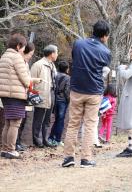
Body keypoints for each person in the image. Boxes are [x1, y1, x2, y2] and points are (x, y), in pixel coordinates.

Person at [62, 20, 111, 168]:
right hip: (94, 91)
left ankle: (68, 158)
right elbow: (104, 69)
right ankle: (86, 159)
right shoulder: (106, 52)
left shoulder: (78, 44)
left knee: (72, 124)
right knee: (90, 125)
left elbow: (75, 60)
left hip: (76, 89)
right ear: (105, 36)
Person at [0, 34, 40, 159]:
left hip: (5, 94)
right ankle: (11, 149)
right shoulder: (16, 57)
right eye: (23, 47)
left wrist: (31, 79)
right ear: (18, 46)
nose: (24, 50)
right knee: (15, 123)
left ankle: (5, 149)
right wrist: (33, 81)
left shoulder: (4, 56)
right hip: (15, 95)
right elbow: (25, 80)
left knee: (8, 122)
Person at [31, 45, 58, 148]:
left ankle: (45, 140)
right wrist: (33, 96)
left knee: (47, 119)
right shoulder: (38, 65)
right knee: (38, 119)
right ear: (52, 53)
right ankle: (37, 141)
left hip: (51, 93)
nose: (57, 54)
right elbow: (31, 81)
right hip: (40, 94)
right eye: (56, 52)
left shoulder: (52, 65)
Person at [16, 42, 36, 151]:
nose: (31, 56)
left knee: (23, 119)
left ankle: (18, 141)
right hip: (18, 95)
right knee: (17, 121)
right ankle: (14, 143)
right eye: (30, 54)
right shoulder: (19, 62)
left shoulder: (26, 63)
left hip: (25, 95)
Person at [48, 61, 70, 146]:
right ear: (66, 69)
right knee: (60, 121)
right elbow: (67, 91)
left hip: (55, 99)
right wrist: (69, 100)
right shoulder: (67, 78)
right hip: (62, 101)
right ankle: (57, 139)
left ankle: (51, 138)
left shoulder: (55, 75)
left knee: (57, 119)